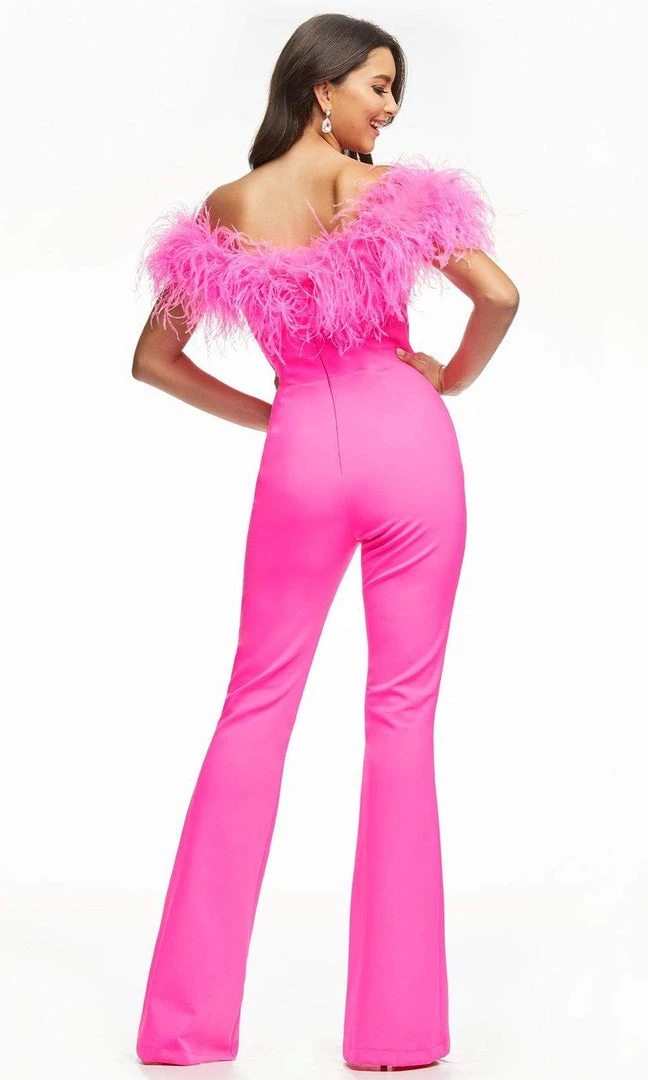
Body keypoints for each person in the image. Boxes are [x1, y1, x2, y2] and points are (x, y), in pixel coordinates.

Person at [131, 12, 519, 1073]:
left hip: (303, 452)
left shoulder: (230, 206)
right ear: (322, 88)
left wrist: (279, 415)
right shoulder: (382, 193)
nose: (389, 109)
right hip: (412, 448)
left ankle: (182, 1028)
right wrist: (448, 376)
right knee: (401, 721)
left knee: (254, 708)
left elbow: (154, 360)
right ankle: (396, 1034)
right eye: (378, 87)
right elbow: (498, 294)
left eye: (395, 93)